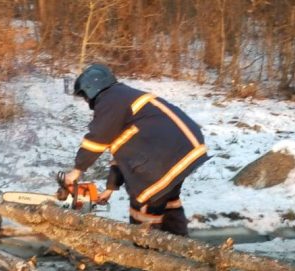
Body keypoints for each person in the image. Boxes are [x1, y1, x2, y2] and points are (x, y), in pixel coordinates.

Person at [62, 63, 209, 236]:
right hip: (184, 147)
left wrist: (77, 171)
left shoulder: (110, 100)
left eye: (85, 96)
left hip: (166, 154)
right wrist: (111, 187)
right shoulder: (122, 97)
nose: (86, 101)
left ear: (91, 89)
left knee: (143, 203)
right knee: (166, 200)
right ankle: (181, 248)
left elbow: (96, 140)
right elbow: (123, 154)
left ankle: (146, 255)